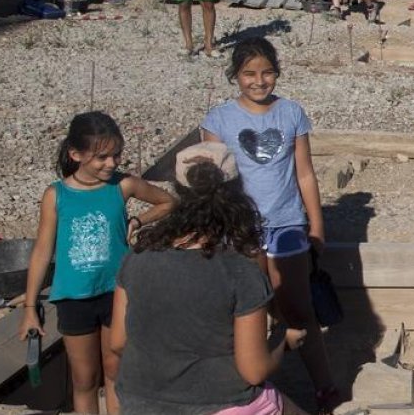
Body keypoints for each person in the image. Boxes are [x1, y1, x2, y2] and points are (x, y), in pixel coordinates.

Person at [112, 141, 305, 415]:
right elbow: (253, 371)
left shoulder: (137, 258)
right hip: (218, 402)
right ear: (236, 195)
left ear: (178, 193)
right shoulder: (240, 270)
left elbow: (118, 343)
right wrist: (284, 343)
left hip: (139, 401)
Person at [201, 38, 338, 413]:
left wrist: (317, 225)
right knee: (248, 310)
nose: (259, 81)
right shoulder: (219, 121)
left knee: (297, 307)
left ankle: (324, 385)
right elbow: (212, 181)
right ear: (235, 76)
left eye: (267, 73)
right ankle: (249, 387)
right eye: (249, 74)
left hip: (286, 222)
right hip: (238, 227)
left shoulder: (291, 113)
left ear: (277, 72)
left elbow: (305, 173)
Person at [19, 111, 175, 415]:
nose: (112, 163)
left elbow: (168, 201)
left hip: (117, 293)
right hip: (73, 299)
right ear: (76, 154)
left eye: (116, 155)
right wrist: (28, 310)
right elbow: (41, 251)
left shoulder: (123, 186)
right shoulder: (56, 195)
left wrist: (138, 220)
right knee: (84, 379)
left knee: (116, 371)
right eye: (102, 157)